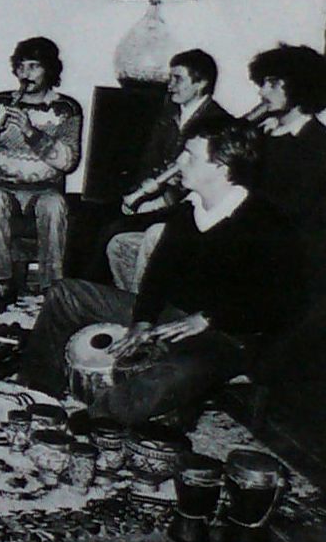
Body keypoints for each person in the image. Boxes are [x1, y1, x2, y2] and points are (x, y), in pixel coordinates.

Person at [20, 121, 305, 426]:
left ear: (221, 168)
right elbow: (158, 275)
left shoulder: (266, 223)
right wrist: (143, 320)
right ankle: (38, 387)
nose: (179, 161)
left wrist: (209, 319)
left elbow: (276, 304)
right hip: (173, 318)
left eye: (190, 155)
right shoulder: (189, 210)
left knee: (175, 374)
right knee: (66, 293)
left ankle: (93, 420)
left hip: (227, 336)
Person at [92, 49, 233, 288]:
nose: (170, 85)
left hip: (183, 204)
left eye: (178, 79)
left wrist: (159, 198)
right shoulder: (168, 112)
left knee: (115, 231)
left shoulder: (219, 123)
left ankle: (98, 293)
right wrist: (139, 195)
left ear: (201, 83)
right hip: (156, 195)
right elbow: (148, 160)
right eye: (170, 78)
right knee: (104, 221)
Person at [0, 37, 82, 311]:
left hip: (45, 188)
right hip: (2, 187)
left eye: (34, 66)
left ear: (49, 69)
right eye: (20, 66)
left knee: (54, 205)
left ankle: (52, 287)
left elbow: (68, 162)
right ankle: (1, 285)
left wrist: (31, 132)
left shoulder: (66, 108)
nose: (25, 74)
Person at [245, 43, 326, 383]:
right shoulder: (267, 134)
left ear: (298, 88)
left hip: (295, 249)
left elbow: (293, 210)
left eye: (272, 83)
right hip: (262, 234)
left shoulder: (317, 144)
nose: (262, 91)